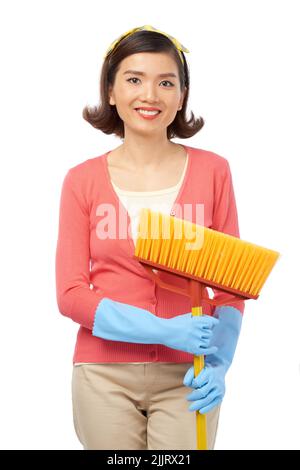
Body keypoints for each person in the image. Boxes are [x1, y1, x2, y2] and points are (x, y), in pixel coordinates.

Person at [55, 25, 245, 450]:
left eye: (166, 83)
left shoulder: (213, 171)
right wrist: (161, 329)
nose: (150, 95)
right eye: (134, 79)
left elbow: (232, 286)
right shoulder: (81, 181)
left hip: (188, 374)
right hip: (102, 376)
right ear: (110, 91)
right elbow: (70, 293)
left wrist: (219, 363)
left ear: (182, 96)